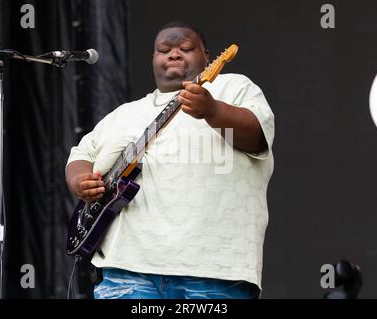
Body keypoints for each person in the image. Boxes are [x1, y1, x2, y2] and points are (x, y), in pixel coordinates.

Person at [66, 21, 274, 299]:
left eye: (185, 48)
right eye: (164, 50)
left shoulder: (231, 86)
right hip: (125, 270)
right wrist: (80, 181)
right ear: (154, 59)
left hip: (213, 271)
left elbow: (257, 137)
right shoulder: (124, 113)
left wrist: (211, 110)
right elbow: (82, 154)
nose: (174, 54)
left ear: (208, 57)